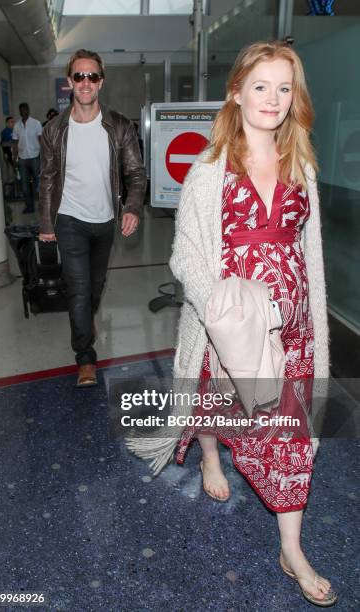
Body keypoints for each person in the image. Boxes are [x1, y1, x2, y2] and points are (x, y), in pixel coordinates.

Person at [129, 41, 337, 606]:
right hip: (231, 326)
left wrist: (311, 321)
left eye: (284, 87)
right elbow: (185, 255)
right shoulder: (210, 169)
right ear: (237, 92)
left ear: (296, 98)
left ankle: (291, 550)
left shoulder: (303, 164)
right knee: (216, 405)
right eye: (261, 85)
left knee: (290, 435)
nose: (273, 98)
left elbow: (308, 252)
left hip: (292, 331)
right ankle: (212, 452)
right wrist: (222, 306)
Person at [39, 49, 146, 387]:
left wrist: (131, 207)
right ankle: (85, 358)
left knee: (95, 288)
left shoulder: (119, 126)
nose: (86, 82)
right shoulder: (54, 129)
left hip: (104, 222)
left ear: (101, 82)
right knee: (78, 289)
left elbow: (136, 173)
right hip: (69, 218)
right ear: (70, 82)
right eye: (79, 76)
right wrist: (45, 223)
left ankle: (87, 318)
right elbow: (47, 178)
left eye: (92, 76)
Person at [12, 103, 42, 213]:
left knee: (38, 183)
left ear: (28, 110)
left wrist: (43, 156)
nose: (24, 111)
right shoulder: (16, 126)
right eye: (22, 110)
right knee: (24, 185)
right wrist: (14, 158)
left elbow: (41, 140)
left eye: (26, 109)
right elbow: (15, 143)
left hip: (35, 157)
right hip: (22, 158)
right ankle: (29, 207)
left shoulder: (36, 123)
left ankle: (41, 207)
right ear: (19, 111)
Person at [0, 116, 15, 180]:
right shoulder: (5, 132)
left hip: (17, 153)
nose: (13, 123)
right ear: (7, 123)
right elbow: (4, 143)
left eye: (14, 122)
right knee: (10, 169)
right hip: (9, 153)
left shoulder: (16, 130)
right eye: (11, 122)